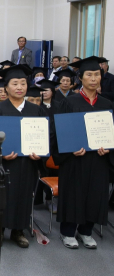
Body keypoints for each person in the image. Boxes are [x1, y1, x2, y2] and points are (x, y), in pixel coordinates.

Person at [0, 65, 47, 248]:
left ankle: (19, 230)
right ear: (6, 88)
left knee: (24, 195)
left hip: (27, 164)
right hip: (4, 164)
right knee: (2, 196)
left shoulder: (37, 111)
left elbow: (45, 137)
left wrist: (39, 155)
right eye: (15, 83)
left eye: (23, 83)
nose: (19, 87)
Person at [54, 56, 113, 249]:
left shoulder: (106, 104)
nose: (94, 78)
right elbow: (59, 131)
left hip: (99, 159)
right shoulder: (70, 102)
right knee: (74, 193)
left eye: (97, 74)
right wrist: (70, 150)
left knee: (96, 193)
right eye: (89, 74)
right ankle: (68, 232)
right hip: (75, 158)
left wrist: (109, 148)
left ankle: (86, 231)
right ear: (80, 78)